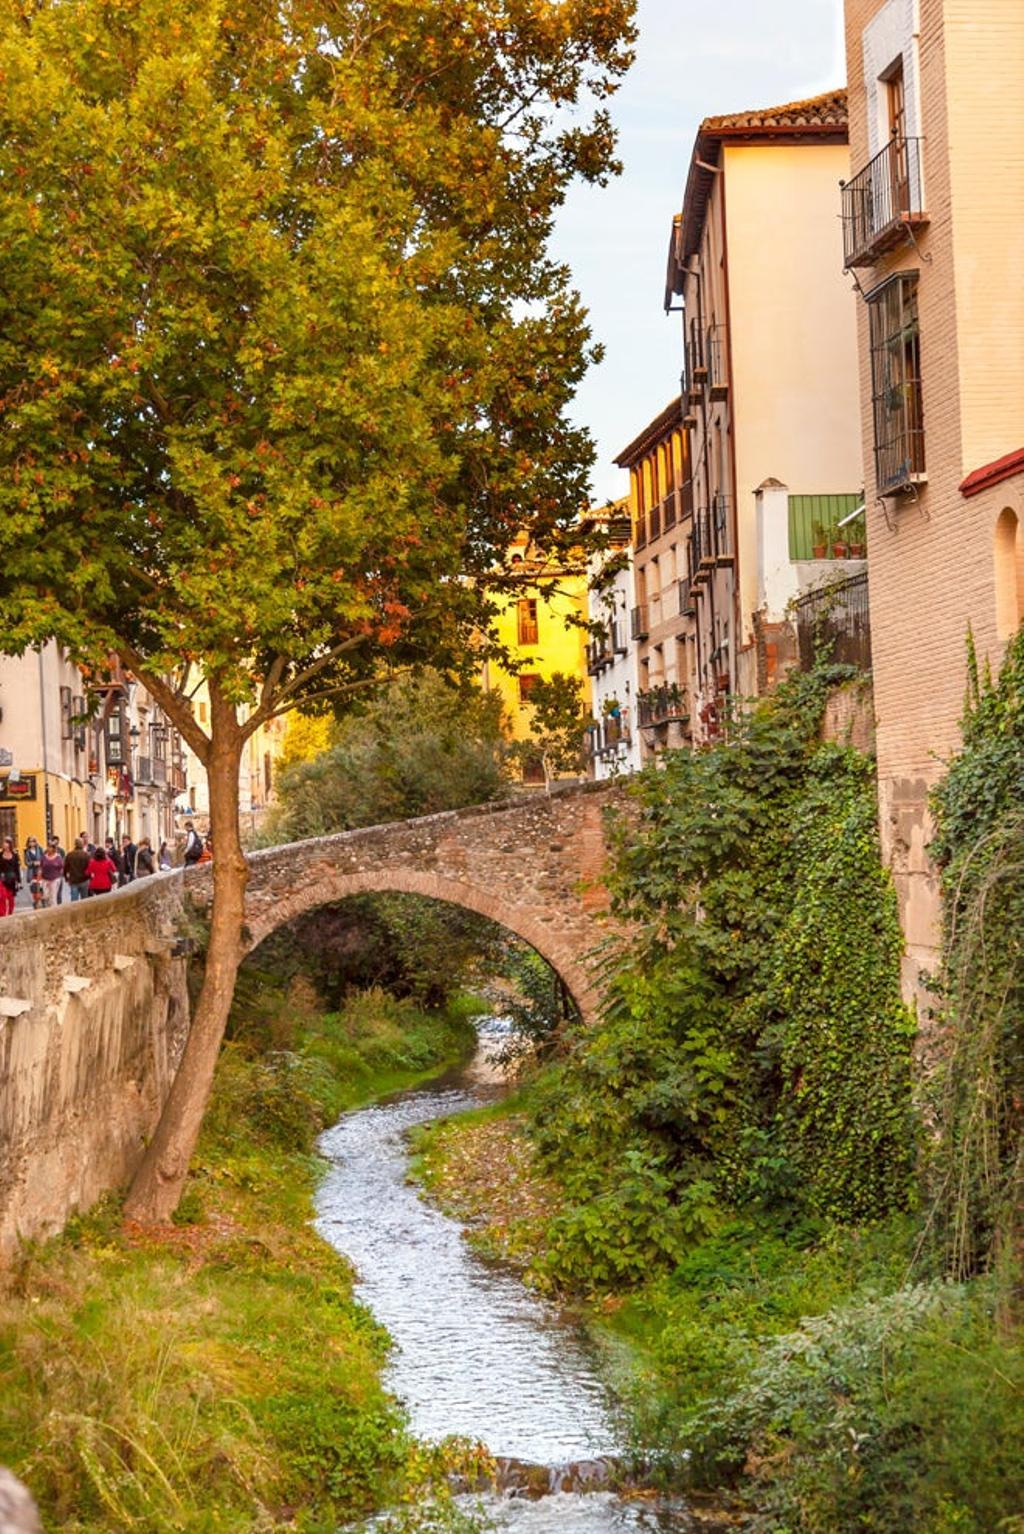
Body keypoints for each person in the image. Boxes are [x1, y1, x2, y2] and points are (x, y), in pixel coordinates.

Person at [63, 837, 91, 902]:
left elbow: (65, 867)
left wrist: (66, 878)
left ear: (75, 844)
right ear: (82, 844)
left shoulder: (70, 855)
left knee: (74, 900)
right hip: (84, 879)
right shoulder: (86, 855)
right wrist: (89, 877)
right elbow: (89, 867)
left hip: (73, 880)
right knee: (84, 900)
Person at [40, 839, 64, 907]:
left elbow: (61, 867)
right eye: (48, 847)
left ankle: (54, 912)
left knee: (53, 897)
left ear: (53, 848)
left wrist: (59, 876)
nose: (48, 848)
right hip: (45, 879)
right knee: (46, 896)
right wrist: (39, 879)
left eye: (50, 847)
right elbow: (41, 867)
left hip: (55, 879)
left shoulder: (58, 857)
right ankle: (48, 910)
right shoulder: (44, 857)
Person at [0, 838, 21, 917]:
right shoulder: (0, 855)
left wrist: (19, 881)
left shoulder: (15, 855)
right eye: (4, 842)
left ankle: (10, 914)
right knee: (2, 897)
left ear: (10, 844)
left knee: (11, 899)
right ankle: (2, 915)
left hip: (12, 879)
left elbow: (17, 869)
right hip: (2, 879)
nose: (4, 844)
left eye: (6, 842)